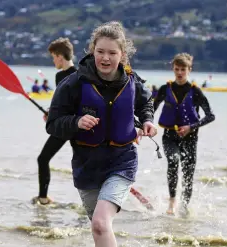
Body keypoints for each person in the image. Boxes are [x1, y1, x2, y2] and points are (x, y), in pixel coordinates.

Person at [46, 21, 156, 247]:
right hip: (87, 166)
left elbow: (146, 103)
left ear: (122, 55)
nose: (105, 58)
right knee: (100, 229)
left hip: (121, 161)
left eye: (112, 53)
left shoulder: (132, 80)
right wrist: (76, 121)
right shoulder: (73, 84)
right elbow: (53, 124)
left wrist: (147, 120)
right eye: (100, 52)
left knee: (99, 224)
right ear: (91, 51)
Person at [153, 53, 215, 216]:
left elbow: (211, 115)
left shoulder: (195, 92)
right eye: (176, 69)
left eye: (183, 69)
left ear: (189, 70)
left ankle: (184, 207)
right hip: (169, 136)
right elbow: (150, 109)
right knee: (173, 160)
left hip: (190, 138)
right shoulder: (165, 89)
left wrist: (191, 126)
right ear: (173, 69)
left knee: (188, 175)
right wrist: (143, 125)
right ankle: (172, 202)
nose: (179, 73)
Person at [32, 37, 77, 205]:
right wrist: (52, 113)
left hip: (72, 126)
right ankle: (43, 198)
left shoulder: (78, 75)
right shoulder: (61, 76)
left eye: (53, 57)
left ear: (59, 56)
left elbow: (76, 104)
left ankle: (43, 198)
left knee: (43, 159)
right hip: (67, 125)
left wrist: (56, 115)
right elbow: (62, 103)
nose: (53, 61)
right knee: (44, 159)